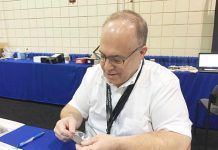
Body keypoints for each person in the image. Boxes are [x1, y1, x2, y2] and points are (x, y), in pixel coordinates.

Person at [54, 10, 192, 150]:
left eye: (117, 59)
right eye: (102, 56)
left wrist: (118, 144)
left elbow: (179, 140)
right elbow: (73, 108)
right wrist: (69, 119)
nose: (106, 67)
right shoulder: (93, 74)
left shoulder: (163, 82)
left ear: (141, 53)